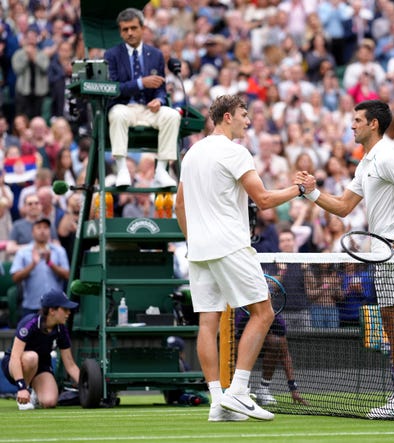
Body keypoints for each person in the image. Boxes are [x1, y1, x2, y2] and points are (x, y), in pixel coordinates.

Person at [174, 94, 313, 422]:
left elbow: (179, 205)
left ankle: (217, 402)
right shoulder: (235, 152)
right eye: (243, 115)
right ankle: (238, 391)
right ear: (226, 118)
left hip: (200, 250)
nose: (247, 121)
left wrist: (194, 239)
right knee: (263, 313)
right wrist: (300, 190)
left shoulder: (191, 153)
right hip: (230, 245)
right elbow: (264, 200)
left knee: (208, 322)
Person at [298, 100, 394, 419]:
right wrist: (312, 193)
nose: (352, 125)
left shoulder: (387, 157)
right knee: (393, 328)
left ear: (373, 124)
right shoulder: (366, 162)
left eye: (357, 120)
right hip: (381, 256)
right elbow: (343, 207)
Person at [104, 8, 181, 188]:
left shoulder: (156, 55)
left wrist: (159, 101)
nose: (129, 33)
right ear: (120, 32)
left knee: (172, 115)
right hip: (125, 107)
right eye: (125, 29)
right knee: (117, 114)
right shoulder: (112, 54)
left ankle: (162, 170)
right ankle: (122, 168)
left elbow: (161, 88)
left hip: (148, 109)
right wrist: (140, 83)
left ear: (142, 28)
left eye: (133, 28)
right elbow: (113, 89)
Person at [1, 289, 80, 410]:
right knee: (31, 357)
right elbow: (15, 357)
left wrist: (87, 386)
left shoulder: (61, 329)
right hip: (14, 365)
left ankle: (34, 395)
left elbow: (70, 365)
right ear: (52, 310)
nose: (68, 312)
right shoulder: (29, 323)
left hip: (41, 366)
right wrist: (22, 388)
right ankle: (23, 395)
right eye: (64, 309)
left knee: (49, 402)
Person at [10, 218, 70, 319]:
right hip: (31, 306)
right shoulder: (23, 252)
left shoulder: (59, 251)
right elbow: (15, 278)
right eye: (39, 227)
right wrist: (32, 264)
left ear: (50, 231)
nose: (42, 230)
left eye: (46, 228)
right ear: (32, 232)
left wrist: (50, 263)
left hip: (55, 307)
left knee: (56, 334)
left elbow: (67, 275)